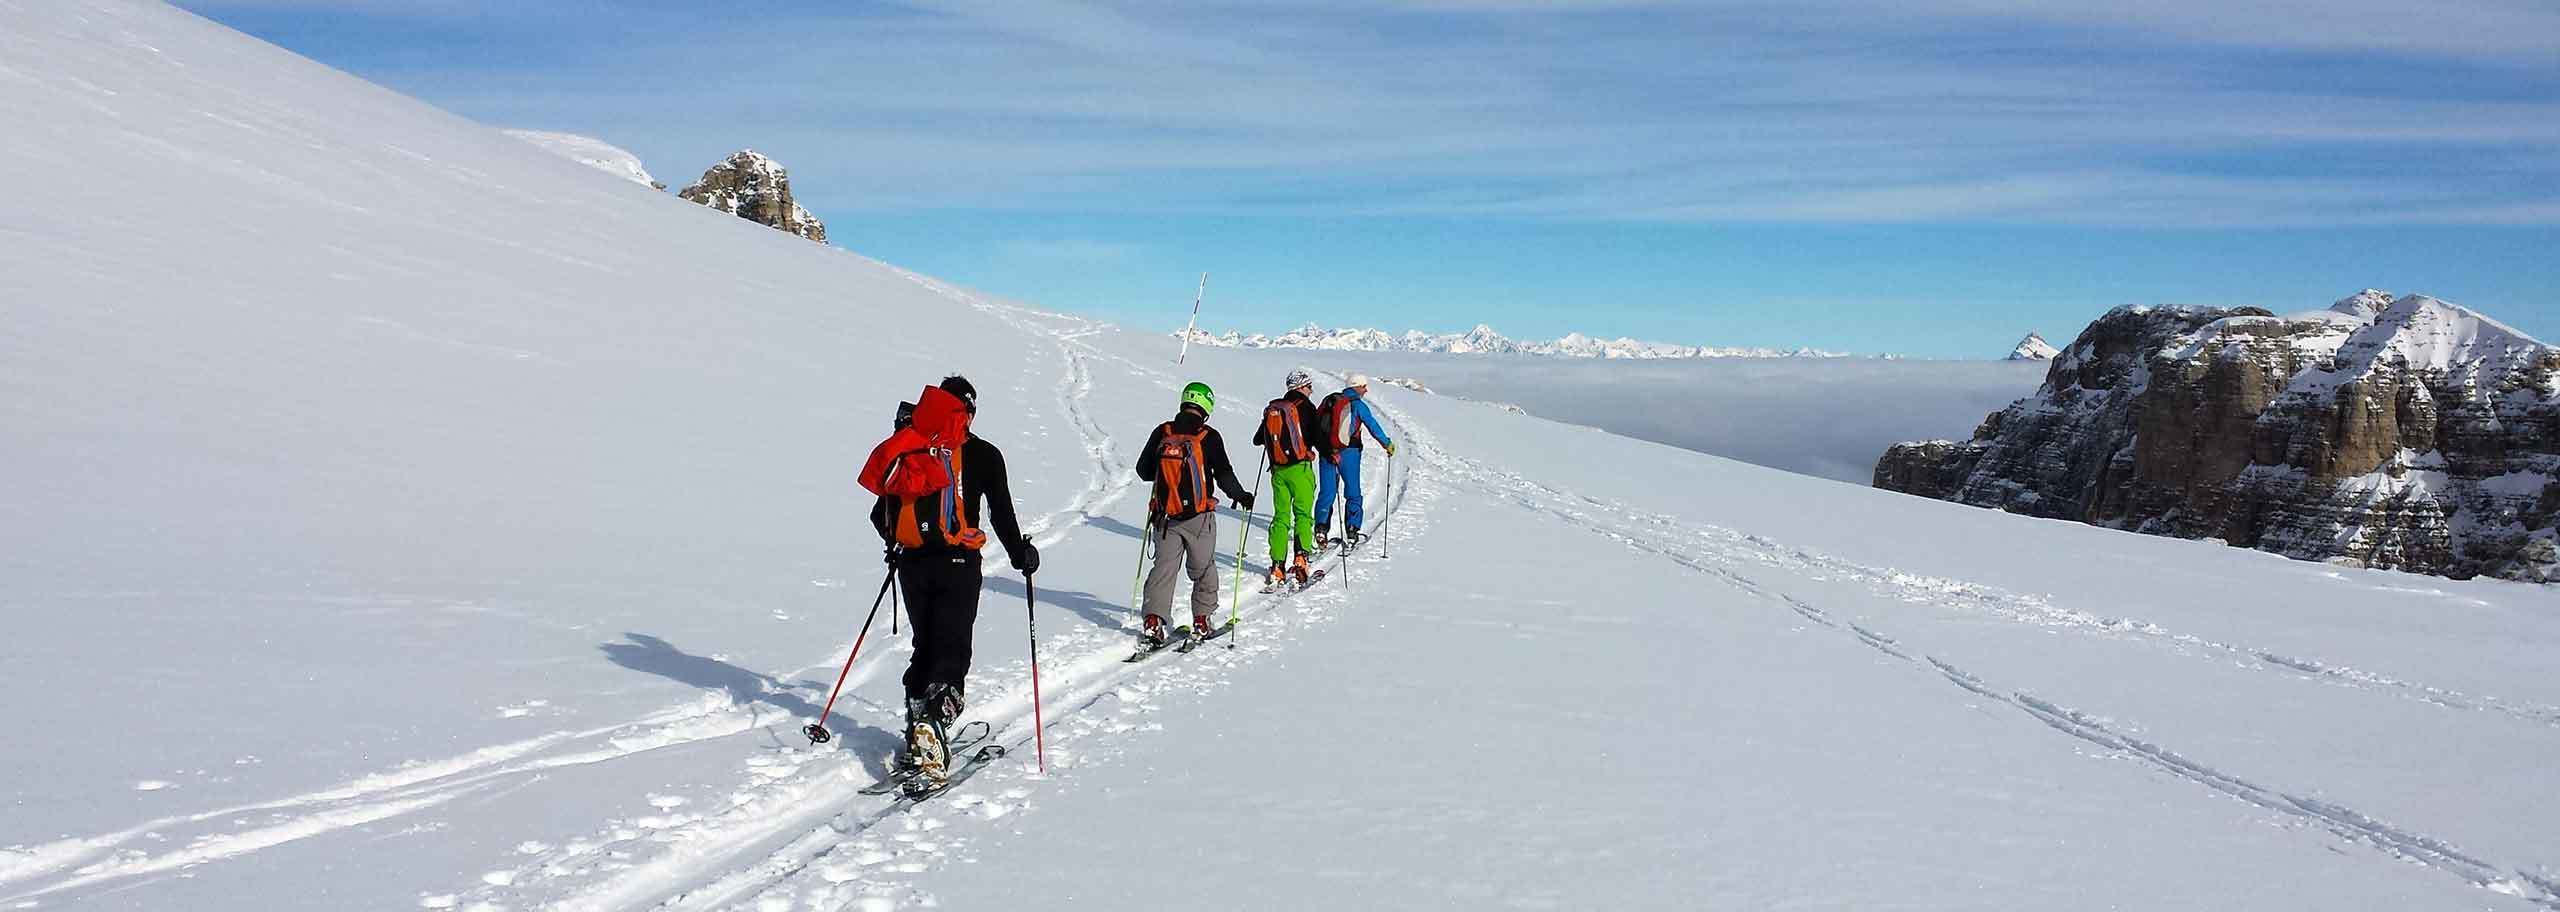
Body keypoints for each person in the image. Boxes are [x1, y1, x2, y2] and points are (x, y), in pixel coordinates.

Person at [861, 375, 1039, 783]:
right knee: (953, 651)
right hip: (959, 563)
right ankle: (932, 730)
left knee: (924, 647)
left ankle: (916, 730)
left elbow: (879, 515)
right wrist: (1020, 554)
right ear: (969, 413)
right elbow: (1002, 514)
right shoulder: (985, 454)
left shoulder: (911, 448)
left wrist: (900, 545)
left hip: (911, 565)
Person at [1133, 382, 1256, 645]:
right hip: (1199, 519)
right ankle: (1202, 619)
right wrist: (1241, 496)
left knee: (1164, 569)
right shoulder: (1208, 435)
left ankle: (1153, 621)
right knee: (1203, 568)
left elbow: (1143, 471)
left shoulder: (1163, 431)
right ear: (1207, 405)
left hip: (1165, 518)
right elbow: (1223, 474)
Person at [1250, 368, 1331, 590]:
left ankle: (1277, 565)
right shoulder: (1307, 408)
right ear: (1301, 387)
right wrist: (1330, 454)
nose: (1311, 391)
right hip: (1300, 469)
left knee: (1281, 517)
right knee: (1303, 514)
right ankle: (1301, 559)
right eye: (1309, 387)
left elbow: (1258, 439)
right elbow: (1318, 438)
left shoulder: (1274, 408)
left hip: (1277, 471)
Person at [1314, 373, 1395, 551]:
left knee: (1327, 492)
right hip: (1349, 453)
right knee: (1353, 492)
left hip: (1327, 452)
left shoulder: (1330, 401)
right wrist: (1387, 444)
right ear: (1356, 386)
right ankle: (1352, 530)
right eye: (1364, 386)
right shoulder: (1358, 405)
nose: (1366, 390)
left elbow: (1316, 424)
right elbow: (1373, 427)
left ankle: (1320, 529)